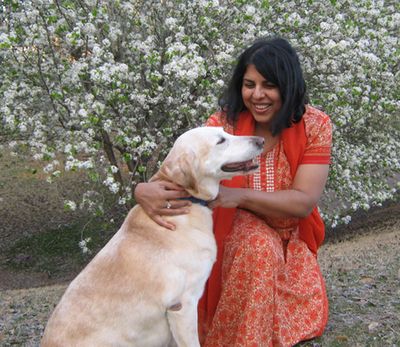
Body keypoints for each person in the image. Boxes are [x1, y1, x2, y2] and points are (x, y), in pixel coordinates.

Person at [134, 37, 332, 347]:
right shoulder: (222, 125)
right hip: (234, 232)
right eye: (249, 84)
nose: (257, 95)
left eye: (269, 85)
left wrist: (237, 196)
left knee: (289, 298)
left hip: (290, 238)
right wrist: (141, 189)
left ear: (288, 85)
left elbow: (304, 203)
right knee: (259, 247)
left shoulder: (315, 125)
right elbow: (181, 169)